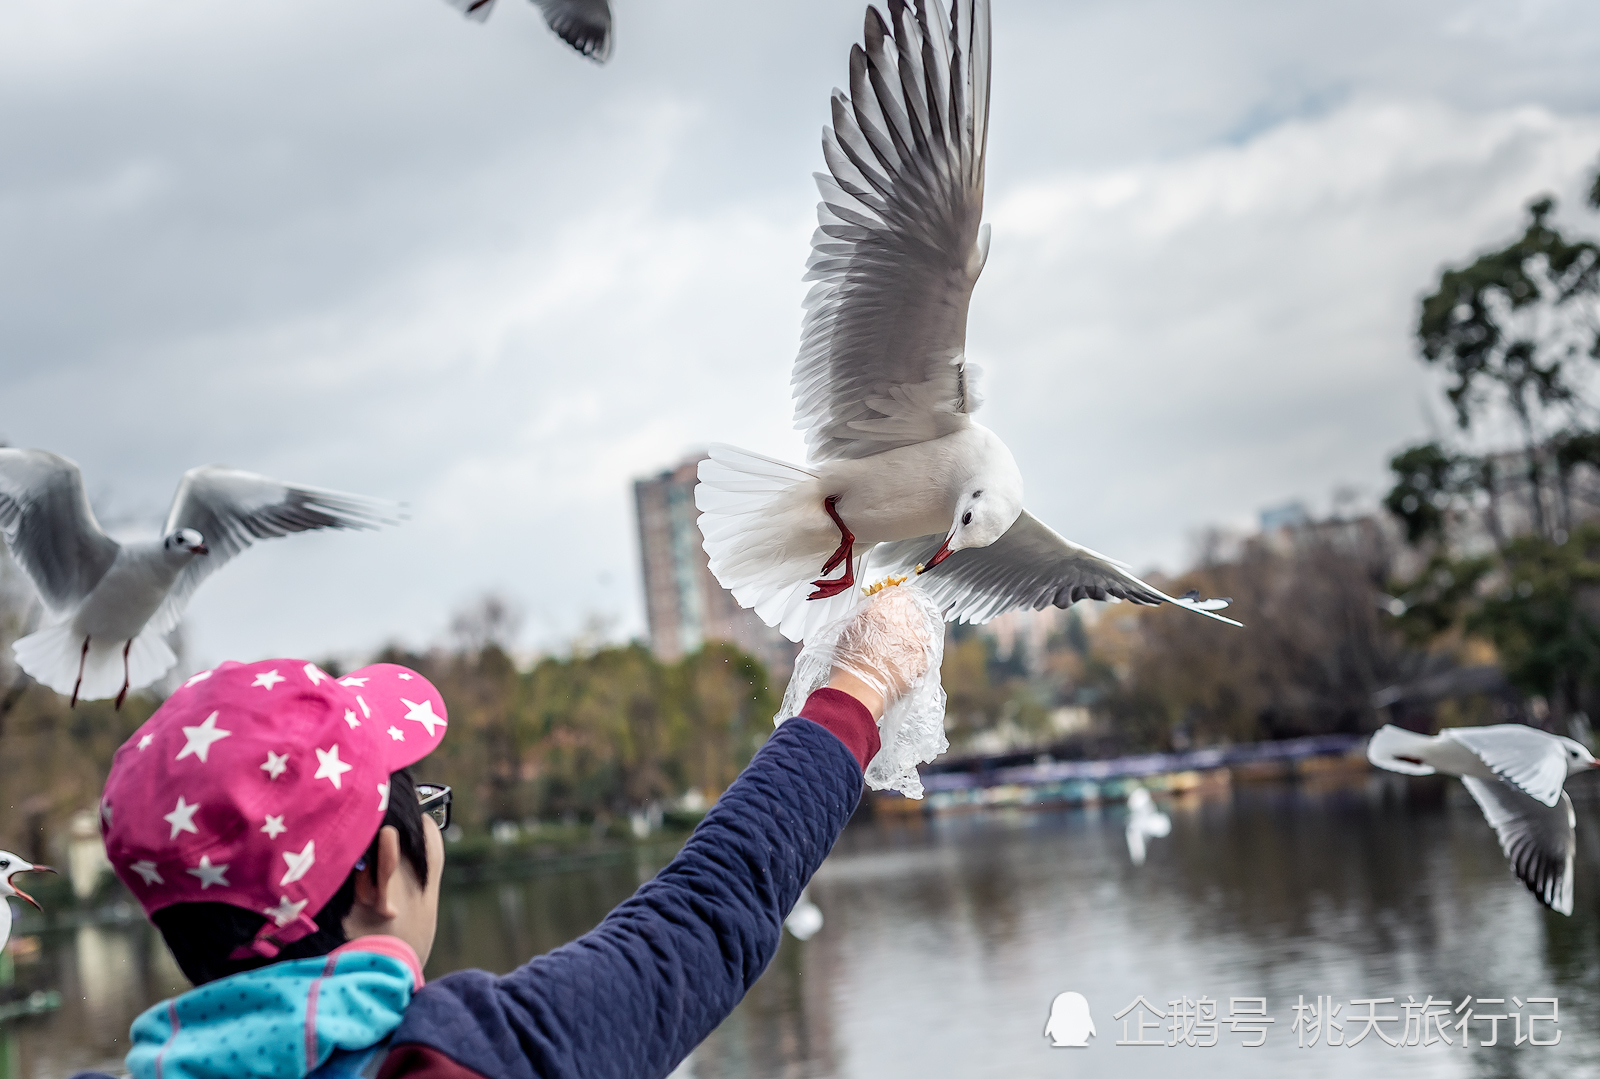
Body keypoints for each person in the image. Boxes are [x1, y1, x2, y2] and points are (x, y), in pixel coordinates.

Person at [71, 585, 935, 1079]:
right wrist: (857, 684)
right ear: (379, 871)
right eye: (426, 810)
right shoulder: (461, 1059)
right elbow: (710, 911)